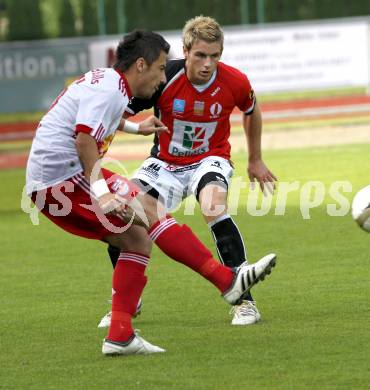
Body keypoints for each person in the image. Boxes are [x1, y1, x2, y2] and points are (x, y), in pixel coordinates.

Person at [25, 29, 277, 356]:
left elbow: (94, 118)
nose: (162, 77)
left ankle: (120, 336)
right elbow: (85, 139)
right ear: (141, 65)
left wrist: (134, 127)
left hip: (57, 177)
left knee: (137, 239)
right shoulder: (112, 92)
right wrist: (101, 192)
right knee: (151, 211)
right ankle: (228, 282)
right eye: (160, 68)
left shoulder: (109, 82)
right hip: (62, 180)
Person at [102, 16, 277, 328]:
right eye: (200, 55)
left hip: (210, 158)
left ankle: (244, 301)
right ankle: (128, 300)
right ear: (185, 51)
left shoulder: (235, 81)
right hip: (164, 164)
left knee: (213, 205)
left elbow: (251, 110)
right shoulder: (163, 77)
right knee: (122, 218)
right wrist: (133, 126)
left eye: (215, 56)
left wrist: (256, 159)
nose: (208, 64)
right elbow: (112, 114)